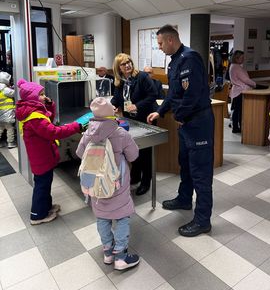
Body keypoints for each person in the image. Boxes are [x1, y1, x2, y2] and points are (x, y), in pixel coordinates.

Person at [147, 25, 214, 237]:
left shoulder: (189, 58)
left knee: (201, 173)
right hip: (186, 124)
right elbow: (174, 93)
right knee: (185, 164)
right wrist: (160, 111)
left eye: (159, 43)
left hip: (198, 124)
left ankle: (203, 220)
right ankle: (184, 199)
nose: (159, 48)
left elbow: (191, 96)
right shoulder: (175, 61)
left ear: (170, 40)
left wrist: (179, 116)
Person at [76, 97, 140, 270]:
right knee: (122, 217)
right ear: (111, 113)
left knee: (102, 218)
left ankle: (108, 253)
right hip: (116, 183)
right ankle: (121, 256)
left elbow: (79, 153)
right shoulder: (120, 133)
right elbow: (134, 155)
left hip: (94, 183)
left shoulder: (88, 133)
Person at [15, 79, 82, 225]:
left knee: (45, 184)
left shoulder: (32, 110)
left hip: (42, 155)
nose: (44, 96)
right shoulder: (34, 117)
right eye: (41, 94)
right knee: (42, 186)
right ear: (32, 97)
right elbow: (52, 131)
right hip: (42, 158)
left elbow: (47, 120)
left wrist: (50, 105)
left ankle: (46, 208)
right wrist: (75, 126)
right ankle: (37, 215)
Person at [111, 54, 156, 196]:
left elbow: (153, 95)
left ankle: (146, 181)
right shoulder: (120, 81)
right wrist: (110, 106)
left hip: (146, 118)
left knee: (145, 152)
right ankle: (135, 175)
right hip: (131, 120)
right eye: (123, 64)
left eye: (129, 62)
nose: (128, 65)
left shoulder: (142, 77)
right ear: (119, 68)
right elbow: (117, 98)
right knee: (132, 149)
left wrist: (137, 105)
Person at [229, 50, 256, 133]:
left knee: (237, 111)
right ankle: (237, 128)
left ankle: (236, 127)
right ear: (236, 58)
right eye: (242, 57)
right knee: (238, 111)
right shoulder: (236, 67)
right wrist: (255, 84)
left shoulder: (234, 66)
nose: (243, 59)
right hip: (240, 92)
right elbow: (245, 79)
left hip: (237, 91)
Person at [0, 71, 16, 148]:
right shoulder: (5, 89)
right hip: (7, 113)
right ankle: (10, 142)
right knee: (9, 128)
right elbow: (14, 93)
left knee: (1, 128)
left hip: (0, 113)